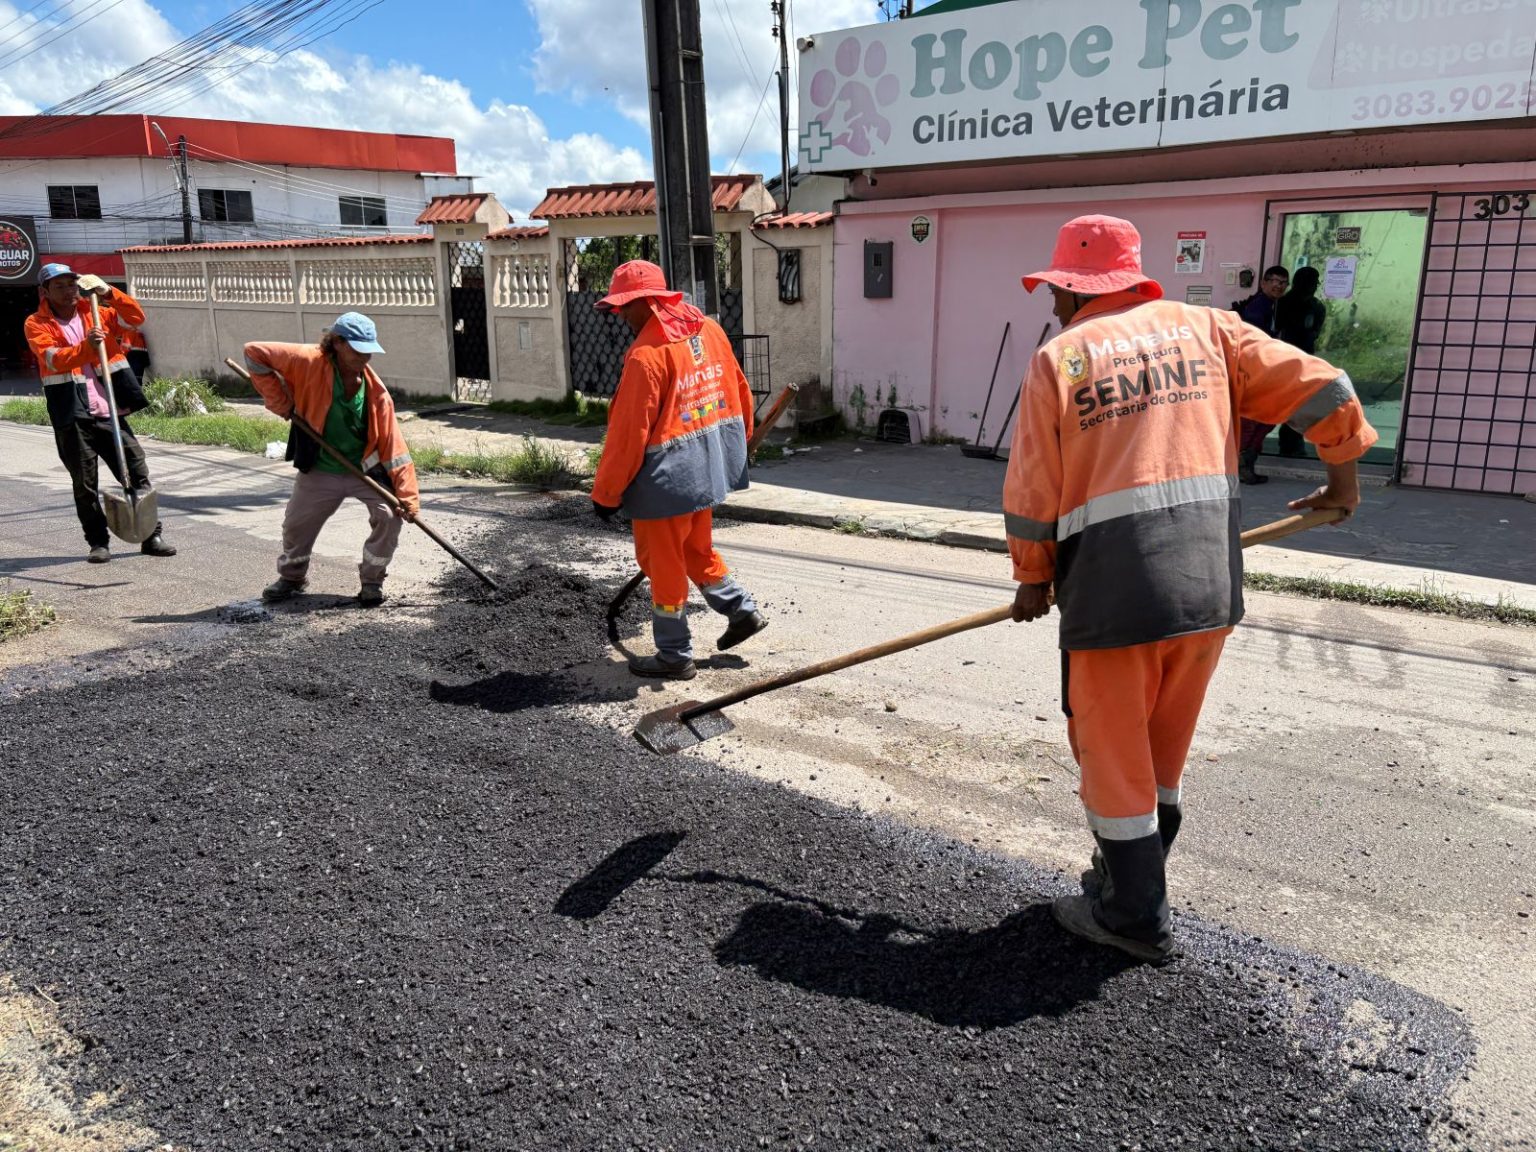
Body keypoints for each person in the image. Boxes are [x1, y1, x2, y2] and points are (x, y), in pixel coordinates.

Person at [1003, 216, 1376, 963]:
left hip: (1114, 595)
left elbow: (1033, 495)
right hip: (1208, 586)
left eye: (1054, 291)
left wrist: (1033, 581)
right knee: (1161, 746)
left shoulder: (1062, 359)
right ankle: (1127, 876)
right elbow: (1325, 389)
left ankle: (1134, 916)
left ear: (1076, 290)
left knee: (1112, 753)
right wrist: (1342, 483)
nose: (1050, 306)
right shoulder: (1213, 329)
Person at [590, 260, 767, 680]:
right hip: (708, 467)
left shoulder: (645, 356)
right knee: (694, 549)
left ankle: (674, 654)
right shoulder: (708, 329)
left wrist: (606, 494)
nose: (620, 316)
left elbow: (627, 435)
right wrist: (736, 447)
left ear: (644, 302)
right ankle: (741, 610)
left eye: (623, 307)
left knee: (662, 562)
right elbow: (739, 390)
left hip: (666, 482)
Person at [243, 313, 419, 606]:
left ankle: (372, 582)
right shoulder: (307, 361)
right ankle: (292, 577)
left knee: (390, 516)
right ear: (337, 342)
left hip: (363, 470)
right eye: (358, 350)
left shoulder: (377, 395)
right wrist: (281, 403)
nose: (365, 357)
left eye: (369, 351)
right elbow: (254, 354)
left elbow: (395, 450)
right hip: (321, 468)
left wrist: (408, 497)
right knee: (297, 525)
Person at [24, 263, 175, 563]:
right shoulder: (36, 323)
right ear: (45, 292)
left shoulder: (96, 311)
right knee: (84, 484)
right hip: (72, 413)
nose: (69, 291)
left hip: (110, 410)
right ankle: (98, 542)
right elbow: (54, 359)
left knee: (136, 470)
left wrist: (108, 292)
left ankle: (150, 535)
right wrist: (88, 347)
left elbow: (135, 318)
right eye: (60, 286)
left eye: (72, 284)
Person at [1234, 264, 1291, 483]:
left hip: (1263, 371)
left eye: (1282, 282)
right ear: (1263, 283)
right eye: (1273, 281)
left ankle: (1244, 465)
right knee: (1255, 419)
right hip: (1255, 372)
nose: (1277, 285)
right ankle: (1241, 467)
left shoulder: (1272, 306)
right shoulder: (1258, 308)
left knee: (1266, 418)